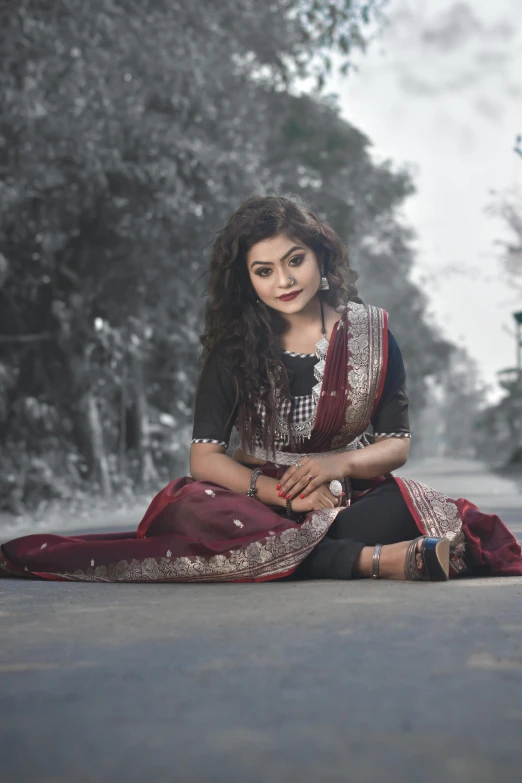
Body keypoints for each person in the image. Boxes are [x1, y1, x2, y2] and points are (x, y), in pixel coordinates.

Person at [1, 194, 521, 583]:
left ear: (320, 257)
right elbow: (205, 458)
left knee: (419, 505)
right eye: (264, 271)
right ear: (247, 280)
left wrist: (333, 468)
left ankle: (321, 550)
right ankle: (374, 560)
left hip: (344, 496)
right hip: (253, 500)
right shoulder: (234, 348)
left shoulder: (371, 334)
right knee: (192, 506)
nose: (284, 281)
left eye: (295, 260)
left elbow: (397, 444)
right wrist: (283, 496)